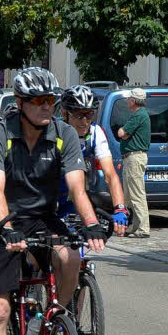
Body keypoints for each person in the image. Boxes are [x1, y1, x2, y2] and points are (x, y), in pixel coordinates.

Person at [0, 67, 108, 335]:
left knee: (71, 256)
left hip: (41, 216)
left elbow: (77, 188)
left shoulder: (64, 134)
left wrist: (91, 222)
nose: (46, 107)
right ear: (20, 103)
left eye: (50, 100)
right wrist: (5, 228)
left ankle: (56, 320)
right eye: (38, 101)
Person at [57, 85, 130, 236]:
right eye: (79, 115)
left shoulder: (96, 133)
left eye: (89, 115)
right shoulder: (54, 130)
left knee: (77, 247)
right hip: (50, 195)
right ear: (65, 114)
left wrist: (120, 207)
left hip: (76, 196)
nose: (84, 121)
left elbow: (110, 175)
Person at [116, 88, 152, 237]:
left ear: (133, 100)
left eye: (129, 98)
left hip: (135, 158)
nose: (127, 101)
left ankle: (143, 229)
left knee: (137, 194)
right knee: (130, 195)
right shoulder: (139, 114)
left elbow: (122, 133)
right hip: (132, 158)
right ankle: (135, 227)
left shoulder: (138, 115)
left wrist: (121, 131)